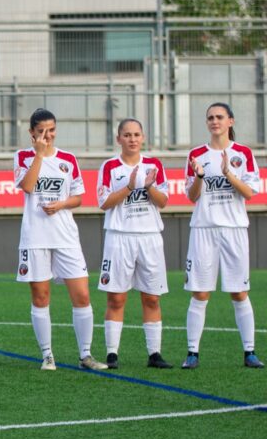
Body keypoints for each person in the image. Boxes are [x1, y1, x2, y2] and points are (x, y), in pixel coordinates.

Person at [15, 108, 107, 371]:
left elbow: (79, 197)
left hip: (66, 236)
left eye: (52, 130)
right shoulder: (22, 157)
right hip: (35, 238)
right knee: (41, 297)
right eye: (42, 130)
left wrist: (62, 203)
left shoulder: (68, 158)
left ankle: (86, 355)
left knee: (81, 295)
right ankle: (47, 355)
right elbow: (29, 186)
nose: (48, 135)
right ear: (32, 132)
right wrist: (40, 156)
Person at [183, 103, 263, 369]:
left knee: (239, 292)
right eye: (210, 118)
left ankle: (249, 352)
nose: (214, 121)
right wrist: (200, 176)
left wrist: (228, 172)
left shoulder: (243, 154)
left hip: (234, 229)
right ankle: (192, 353)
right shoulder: (196, 154)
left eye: (219, 117)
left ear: (230, 121)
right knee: (200, 293)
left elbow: (250, 193)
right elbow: (192, 197)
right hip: (204, 229)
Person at [96, 119, 173, 369]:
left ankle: (154, 354)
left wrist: (148, 186)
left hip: (150, 237)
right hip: (120, 237)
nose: (132, 139)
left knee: (152, 298)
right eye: (127, 135)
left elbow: (163, 202)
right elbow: (104, 203)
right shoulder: (109, 167)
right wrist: (129, 186)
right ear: (118, 138)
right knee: (116, 298)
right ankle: (112, 354)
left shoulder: (154, 165)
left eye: (136, 134)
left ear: (143, 137)